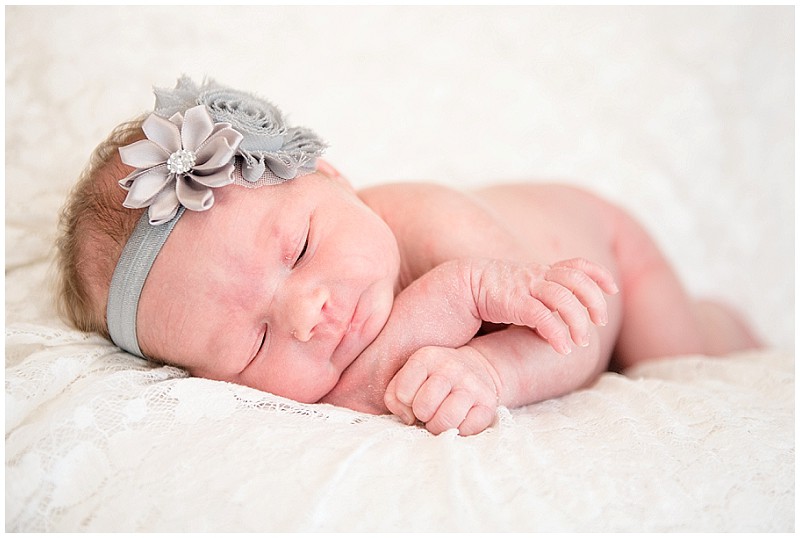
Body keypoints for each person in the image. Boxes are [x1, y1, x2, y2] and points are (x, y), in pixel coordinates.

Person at [55, 78, 761, 436]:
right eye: (253, 341)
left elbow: (576, 334)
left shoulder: (436, 224)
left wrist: (489, 367)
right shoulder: (302, 374)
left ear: (335, 179)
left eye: (300, 249)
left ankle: (726, 323)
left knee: (678, 361)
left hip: (608, 264)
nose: (307, 316)